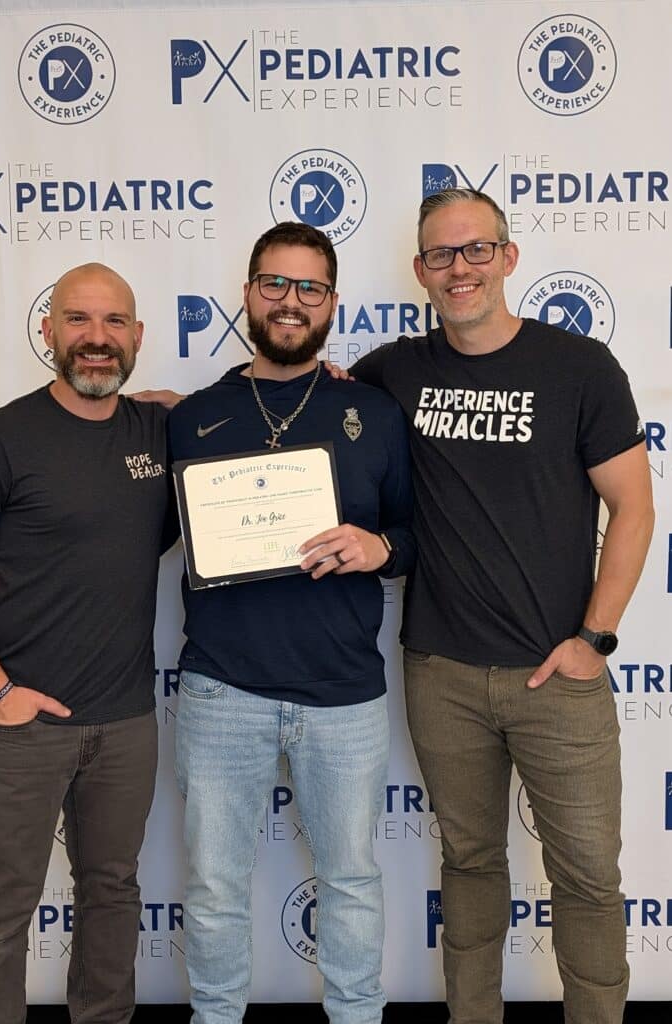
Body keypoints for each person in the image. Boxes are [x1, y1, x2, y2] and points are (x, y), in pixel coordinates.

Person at [343, 188, 654, 1023]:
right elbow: (303, 399)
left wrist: (594, 639)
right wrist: (171, 412)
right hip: (441, 674)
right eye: (441, 254)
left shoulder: (579, 368)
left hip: (558, 676)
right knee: (471, 866)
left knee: (586, 876)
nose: (460, 268)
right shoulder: (393, 372)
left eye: (476, 249)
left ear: (507, 257)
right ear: (419, 270)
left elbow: (633, 507)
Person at [168, 221, 417, 1024]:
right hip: (221, 690)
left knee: (351, 880)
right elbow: (129, 531)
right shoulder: (191, 416)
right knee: (214, 885)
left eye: (309, 287)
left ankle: (356, 1014)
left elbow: (415, 534)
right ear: (247, 293)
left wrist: (379, 546)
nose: (290, 301)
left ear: (331, 303)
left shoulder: (372, 412)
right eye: (274, 283)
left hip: (343, 694)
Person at [0, 263, 177, 1024]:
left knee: (113, 894)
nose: (96, 338)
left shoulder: (156, 431)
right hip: (20, 726)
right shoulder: (1, 438)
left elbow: (247, 408)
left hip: (125, 723)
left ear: (137, 336)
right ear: (48, 330)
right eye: (78, 320)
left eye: (114, 322)